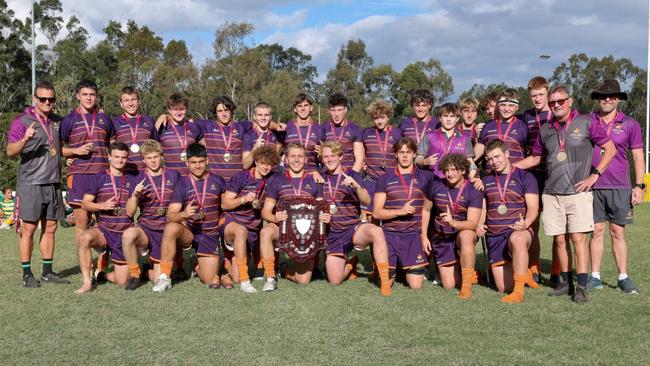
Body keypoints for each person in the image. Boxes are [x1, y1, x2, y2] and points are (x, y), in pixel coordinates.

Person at [514, 85, 616, 303]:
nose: (557, 105)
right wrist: (509, 167)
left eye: (561, 101)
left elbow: (611, 149)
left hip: (577, 192)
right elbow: (535, 159)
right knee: (559, 240)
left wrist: (595, 175)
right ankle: (566, 282)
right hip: (552, 193)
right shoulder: (546, 129)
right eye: (553, 102)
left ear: (570, 101)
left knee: (578, 239)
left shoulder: (587, 122)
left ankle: (581, 286)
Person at [7, 80, 68, 287]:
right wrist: (25, 139)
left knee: (50, 228)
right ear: (35, 99)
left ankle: (47, 272)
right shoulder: (22, 121)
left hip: (53, 183)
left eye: (51, 99)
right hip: (31, 183)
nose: (47, 102)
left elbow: (60, 149)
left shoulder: (58, 121)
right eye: (43, 99)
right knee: (29, 230)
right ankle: (26, 274)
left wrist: (76, 153)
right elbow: (10, 152)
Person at [587, 79, 644, 295]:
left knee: (617, 232)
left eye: (611, 96)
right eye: (603, 96)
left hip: (620, 186)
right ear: (598, 99)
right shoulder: (588, 121)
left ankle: (623, 277)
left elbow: (638, 156)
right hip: (593, 185)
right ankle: (594, 277)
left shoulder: (630, 124)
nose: (607, 99)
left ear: (618, 99)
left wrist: (639, 186)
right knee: (597, 231)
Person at [320, 141, 392, 296]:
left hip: (353, 228)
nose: (329, 159)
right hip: (333, 233)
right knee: (334, 280)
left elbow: (366, 200)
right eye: (325, 156)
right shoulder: (320, 178)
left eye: (333, 155)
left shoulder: (352, 175)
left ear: (340, 156)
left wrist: (357, 187)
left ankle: (385, 281)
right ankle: (351, 264)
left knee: (376, 231)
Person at [152, 143, 227, 292]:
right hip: (190, 233)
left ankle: (197, 264)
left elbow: (225, 208)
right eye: (193, 162)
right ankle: (165, 277)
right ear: (187, 163)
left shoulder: (218, 180)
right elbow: (171, 215)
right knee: (171, 227)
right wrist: (184, 214)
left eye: (200, 162)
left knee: (208, 279)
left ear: (207, 160)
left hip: (209, 235)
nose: (197, 166)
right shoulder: (182, 183)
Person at [60, 79, 114, 275]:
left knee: (105, 223)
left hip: (102, 175)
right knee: (81, 224)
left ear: (96, 96)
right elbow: (59, 149)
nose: (89, 98)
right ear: (78, 96)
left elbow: (113, 145)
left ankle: (101, 267)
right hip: (79, 176)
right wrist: (76, 151)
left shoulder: (105, 119)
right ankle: (87, 269)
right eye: (85, 94)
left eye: (92, 94)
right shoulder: (69, 120)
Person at [258, 143, 326, 291]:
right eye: (293, 156)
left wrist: (325, 217)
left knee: (303, 281)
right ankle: (270, 276)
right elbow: (265, 212)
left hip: (305, 234)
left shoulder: (315, 181)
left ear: (306, 159)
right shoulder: (277, 180)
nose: (296, 160)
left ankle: (284, 270)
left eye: (300, 156)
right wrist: (275, 217)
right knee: (266, 232)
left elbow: (321, 210)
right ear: (286, 160)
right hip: (282, 229)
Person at [481, 140, 539, 303]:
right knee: (502, 287)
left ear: (507, 154)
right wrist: (480, 224)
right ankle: (523, 270)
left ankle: (519, 292)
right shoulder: (486, 180)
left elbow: (533, 207)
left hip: (518, 229)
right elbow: (484, 208)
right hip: (495, 235)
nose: (494, 162)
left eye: (497, 156)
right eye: (490, 159)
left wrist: (526, 223)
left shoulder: (525, 176)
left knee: (518, 239)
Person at [76, 142, 139, 293]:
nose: (120, 160)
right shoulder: (99, 177)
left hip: (124, 234)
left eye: (124, 157)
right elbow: (85, 203)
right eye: (116, 156)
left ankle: (103, 276)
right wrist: (102, 206)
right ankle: (86, 282)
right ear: (109, 157)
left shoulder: (132, 179)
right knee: (84, 238)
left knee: (122, 280)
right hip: (104, 231)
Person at [373, 137, 434, 290]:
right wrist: (400, 211)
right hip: (390, 235)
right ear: (395, 155)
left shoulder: (426, 178)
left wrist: (425, 236)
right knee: (386, 284)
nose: (405, 156)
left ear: (414, 154)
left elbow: (427, 210)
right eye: (401, 152)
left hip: (413, 235)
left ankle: (404, 266)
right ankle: (395, 268)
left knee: (416, 285)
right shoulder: (385, 179)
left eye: (408, 152)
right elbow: (377, 213)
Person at [121, 140, 182, 290]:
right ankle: (135, 275)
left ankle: (148, 269)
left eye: (155, 156)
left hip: (167, 229)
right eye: (149, 158)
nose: (153, 161)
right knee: (128, 235)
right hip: (147, 229)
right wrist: (135, 195)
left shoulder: (174, 175)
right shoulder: (138, 179)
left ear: (162, 156)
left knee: (157, 279)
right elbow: (129, 212)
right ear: (143, 160)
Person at [221, 146, 280, 293]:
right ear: (256, 161)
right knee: (241, 231)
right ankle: (245, 281)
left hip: (254, 227)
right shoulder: (241, 177)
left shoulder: (273, 178)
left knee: (234, 276)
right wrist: (243, 199)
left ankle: (225, 266)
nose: (265, 166)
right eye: (262, 162)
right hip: (233, 223)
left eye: (269, 163)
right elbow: (225, 204)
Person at [426, 153, 482, 299]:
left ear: (463, 170)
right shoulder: (435, 185)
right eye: (446, 170)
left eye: (453, 170)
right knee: (449, 285)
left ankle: (467, 286)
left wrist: (453, 223)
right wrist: (422, 236)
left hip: (461, 233)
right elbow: (425, 210)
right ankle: (469, 271)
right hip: (442, 238)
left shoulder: (473, 189)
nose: (449, 174)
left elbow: (472, 223)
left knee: (467, 235)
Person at [521, 76, 555, 285]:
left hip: (554, 174)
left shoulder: (556, 113)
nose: (537, 99)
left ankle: (558, 271)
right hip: (532, 174)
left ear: (547, 92)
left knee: (558, 227)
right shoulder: (526, 115)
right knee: (531, 224)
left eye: (541, 94)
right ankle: (533, 267)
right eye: (533, 95)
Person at [416, 102, 475, 179]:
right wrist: (425, 162)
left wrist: (474, 177)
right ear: (440, 118)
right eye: (445, 116)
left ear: (457, 118)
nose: (448, 119)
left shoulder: (464, 138)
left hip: (457, 182)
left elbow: (470, 162)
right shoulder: (429, 135)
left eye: (452, 116)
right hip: (435, 181)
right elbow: (417, 159)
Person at [474, 89, 528, 168]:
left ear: (517, 107)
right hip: (491, 176)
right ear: (498, 106)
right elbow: (477, 151)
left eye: (511, 105)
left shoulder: (523, 126)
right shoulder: (487, 126)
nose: (506, 109)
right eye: (503, 105)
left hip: (515, 176)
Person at [199, 96, 248, 182]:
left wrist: (276, 126)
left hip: (237, 181)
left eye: (226, 110)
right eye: (220, 111)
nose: (224, 114)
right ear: (215, 113)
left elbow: (261, 122)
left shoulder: (241, 127)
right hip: (214, 181)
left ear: (231, 111)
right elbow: (185, 122)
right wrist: (168, 117)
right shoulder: (207, 126)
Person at [111, 86, 158, 173]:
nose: (130, 103)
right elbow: (110, 148)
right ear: (121, 103)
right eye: (126, 100)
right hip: (124, 172)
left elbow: (155, 146)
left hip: (147, 172)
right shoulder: (114, 122)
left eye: (133, 99)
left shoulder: (149, 120)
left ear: (139, 101)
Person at [156, 93, 203, 177]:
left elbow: (204, 151)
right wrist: (161, 118)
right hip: (169, 178)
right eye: (175, 109)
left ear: (187, 109)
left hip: (192, 178)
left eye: (182, 109)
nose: (178, 113)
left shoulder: (194, 127)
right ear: (169, 109)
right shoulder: (162, 127)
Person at [284, 93, 326, 173]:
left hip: (311, 176)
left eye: (306, 105)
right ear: (295, 109)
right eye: (299, 106)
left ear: (311, 108)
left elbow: (326, 159)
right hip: (289, 175)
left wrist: (322, 154)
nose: (303, 109)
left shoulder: (320, 129)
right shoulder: (287, 127)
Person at [362, 100, 402, 182]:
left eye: (382, 117)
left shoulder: (397, 133)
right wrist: (362, 165)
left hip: (392, 180)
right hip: (370, 179)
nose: (379, 122)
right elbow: (360, 154)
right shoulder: (366, 132)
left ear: (388, 117)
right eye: (376, 118)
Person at [323, 93, 364, 172]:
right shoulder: (323, 128)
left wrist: (352, 177)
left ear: (345, 109)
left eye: (339, 110)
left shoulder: (354, 129)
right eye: (333, 110)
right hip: (328, 176)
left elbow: (359, 159)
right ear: (328, 111)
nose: (336, 114)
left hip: (347, 176)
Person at [242, 102, 284, 169]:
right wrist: (255, 149)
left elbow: (278, 158)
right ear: (254, 117)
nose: (263, 118)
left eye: (266, 115)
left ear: (270, 117)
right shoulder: (248, 135)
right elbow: (245, 165)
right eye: (260, 115)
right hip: (254, 177)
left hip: (272, 176)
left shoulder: (276, 134)